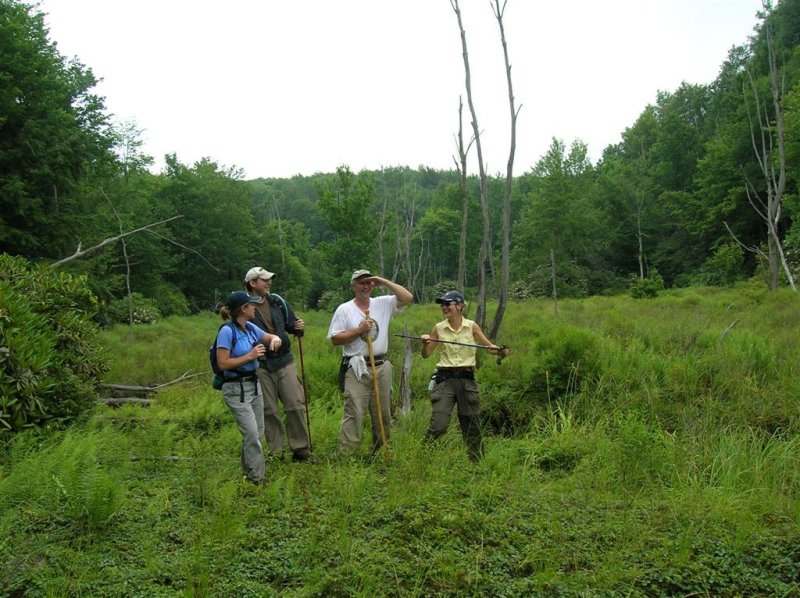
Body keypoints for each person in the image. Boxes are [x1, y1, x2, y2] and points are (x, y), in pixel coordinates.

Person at [327, 269, 413, 457]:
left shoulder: (383, 303)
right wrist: (359, 331)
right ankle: (348, 456)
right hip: (356, 366)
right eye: (361, 282)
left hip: (381, 365)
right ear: (353, 286)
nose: (365, 286)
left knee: (382, 412)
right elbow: (335, 339)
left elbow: (407, 297)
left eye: (369, 282)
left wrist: (383, 281)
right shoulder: (344, 309)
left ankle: (380, 453)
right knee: (355, 412)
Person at [420, 290, 509, 462]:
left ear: (459, 306)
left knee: (471, 425)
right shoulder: (438, 328)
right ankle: (422, 458)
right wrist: (425, 344)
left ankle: (477, 464)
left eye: (448, 304)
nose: (444, 307)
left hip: (467, 380)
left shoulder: (471, 326)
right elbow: (426, 354)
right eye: (442, 305)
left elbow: (489, 347)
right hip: (445, 380)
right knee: (439, 424)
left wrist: (500, 351)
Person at [244, 266, 312, 462]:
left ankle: (301, 450)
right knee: (269, 410)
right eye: (264, 280)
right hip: (261, 365)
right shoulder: (244, 306)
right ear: (252, 283)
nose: (269, 282)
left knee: (295, 405)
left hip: (285, 360)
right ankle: (276, 452)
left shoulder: (277, 301)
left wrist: (299, 328)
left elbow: (292, 326)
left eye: (269, 279)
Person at [216, 290, 282, 484]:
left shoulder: (250, 328)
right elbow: (223, 363)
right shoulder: (227, 332)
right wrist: (250, 356)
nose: (254, 308)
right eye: (251, 305)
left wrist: (275, 340)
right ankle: (257, 479)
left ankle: (248, 473)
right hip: (235, 389)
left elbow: (270, 337)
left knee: (257, 432)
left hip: (254, 386)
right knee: (252, 434)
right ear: (243, 309)